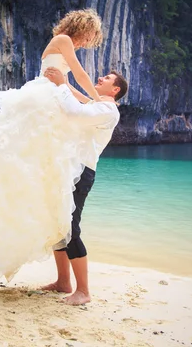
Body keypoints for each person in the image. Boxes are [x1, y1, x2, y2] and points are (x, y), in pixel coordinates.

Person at [0, 9, 105, 285]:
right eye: (88, 37)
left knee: (40, 166)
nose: (85, 43)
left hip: (52, 96)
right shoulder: (64, 40)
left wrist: (91, 104)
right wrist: (99, 98)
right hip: (46, 100)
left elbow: (67, 84)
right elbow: (77, 73)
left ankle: (61, 272)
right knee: (33, 162)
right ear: (82, 27)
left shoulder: (62, 42)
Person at [41, 66, 128, 305]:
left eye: (107, 78)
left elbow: (74, 113)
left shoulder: (108, 110)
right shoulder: (97, 105)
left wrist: (61, 85)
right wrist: (63, 80)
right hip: (69, 170)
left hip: (81, 172)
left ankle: (84, 291)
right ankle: (63, 283)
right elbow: (78, 97)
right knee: (58, 225)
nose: (100, 78)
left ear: (116, 89)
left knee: (71, 228)